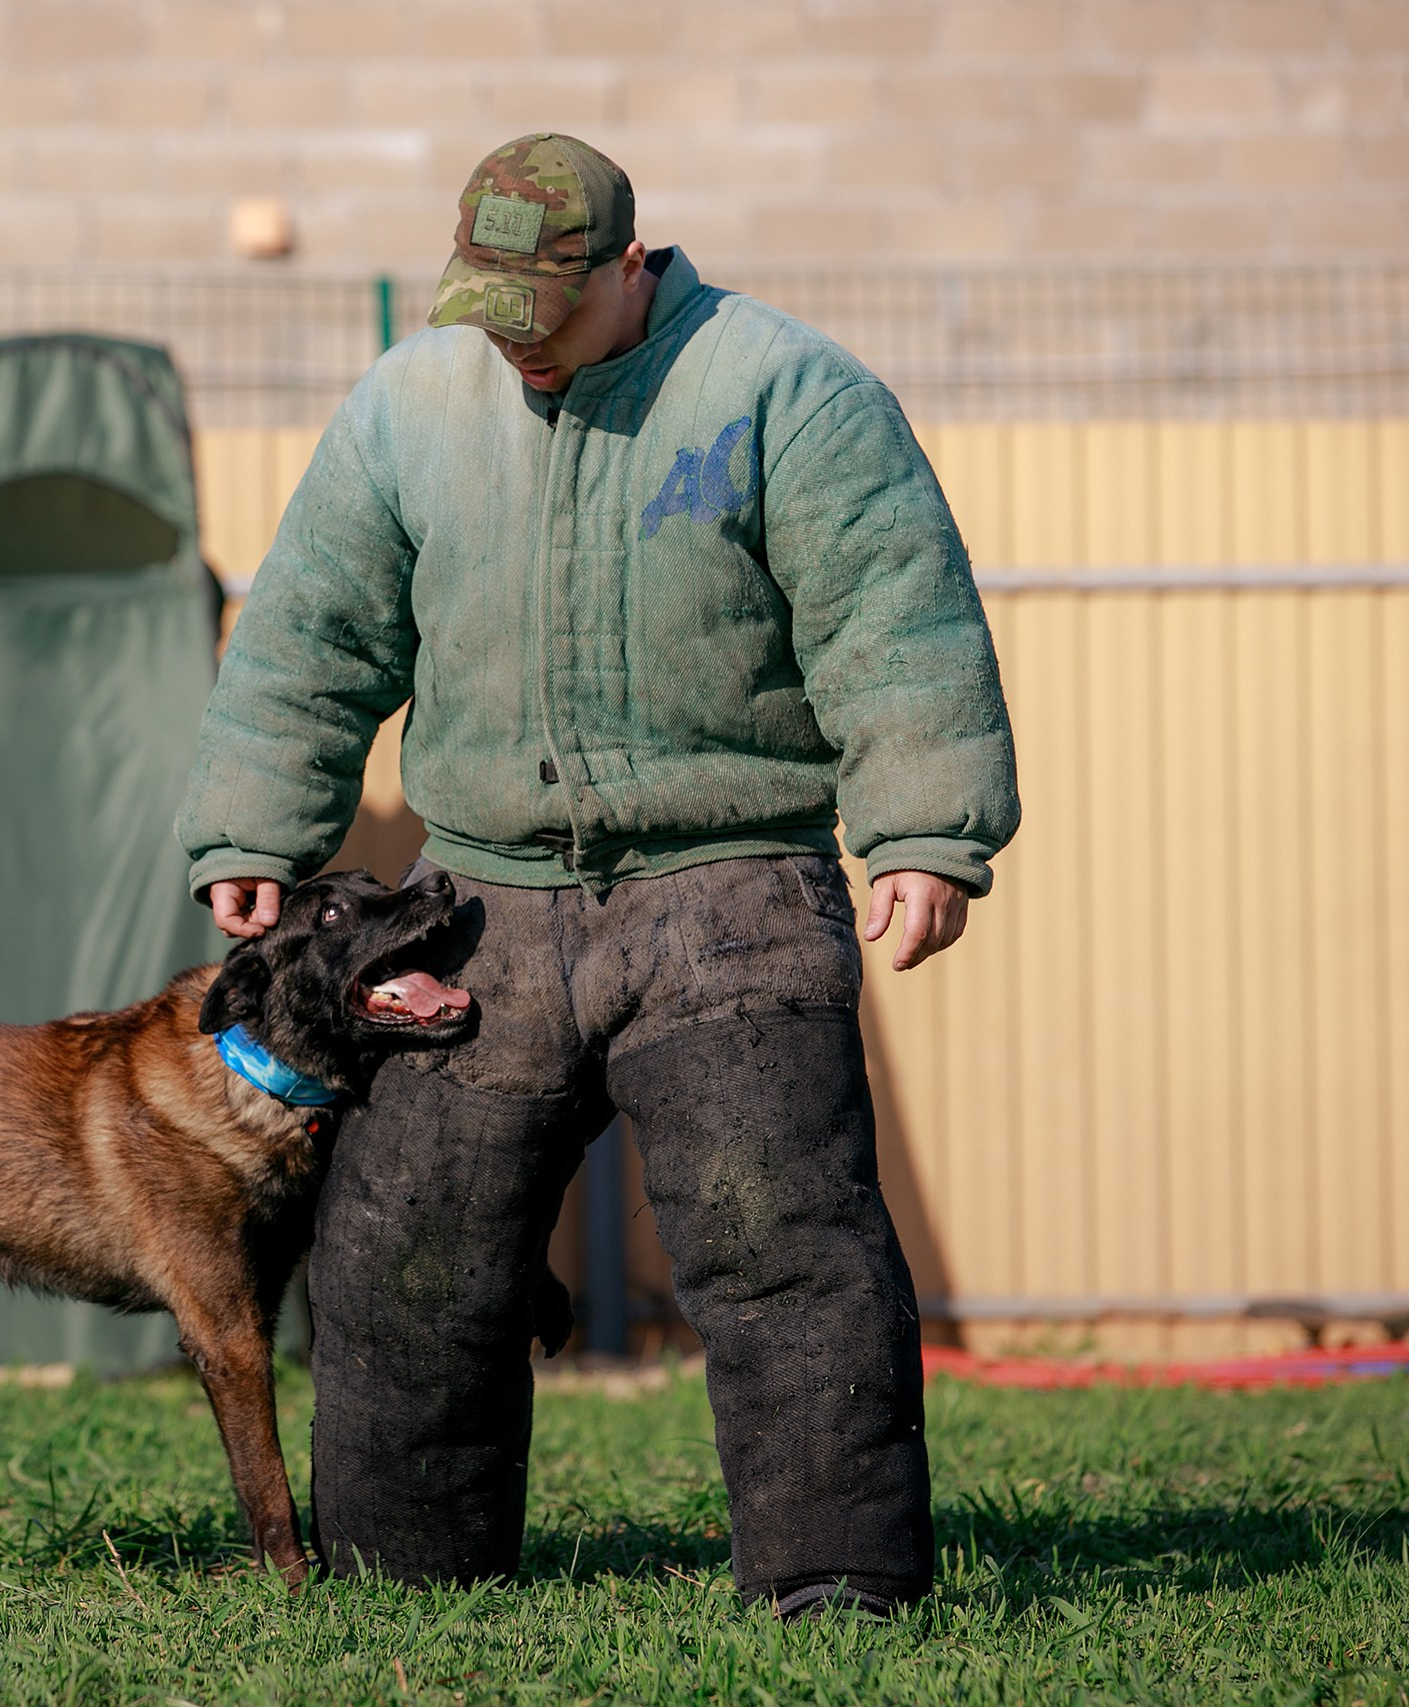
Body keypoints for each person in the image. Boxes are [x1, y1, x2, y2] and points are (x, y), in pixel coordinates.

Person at [175, 134, 1018, 1618]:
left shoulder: (786, 393)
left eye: (542, 312)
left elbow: (895, 624)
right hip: (477, 905)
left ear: (632, 268)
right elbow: (312, 637)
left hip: (733, 896)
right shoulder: (407, 410)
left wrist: (926, 833)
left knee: (787, 1253)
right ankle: (402, 1582)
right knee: (404, 1259)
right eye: (485, 308)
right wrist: (256, 829)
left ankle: (838, 1589)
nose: (512, 344)